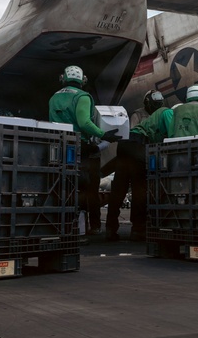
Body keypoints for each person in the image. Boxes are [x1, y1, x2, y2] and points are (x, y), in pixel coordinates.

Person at [48, 65, 119, 234]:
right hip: (80, 148)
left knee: (64, 187)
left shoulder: (53, 98)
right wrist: (104, 134)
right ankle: (89, 227)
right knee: (89, 189)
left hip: (59, 146)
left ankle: (62, 225)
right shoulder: (82, 97)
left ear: (63, 79)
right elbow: (84, 122)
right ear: (83, 80)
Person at [106, 93, 172, 242]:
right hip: (138, 147)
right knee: (139, 190)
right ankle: (138, 229)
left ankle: (110, 229)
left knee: (118, 189)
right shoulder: (157, 113)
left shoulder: (148, 114)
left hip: (126, 147)